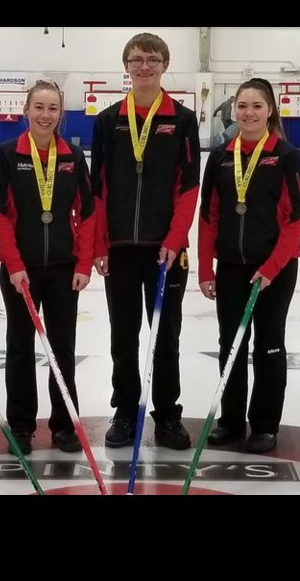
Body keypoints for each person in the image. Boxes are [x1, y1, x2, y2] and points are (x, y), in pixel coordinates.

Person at [90, 32, 201, 450]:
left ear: (164, 65)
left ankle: (168, 415)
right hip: (119, 249)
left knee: (165, 336)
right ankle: (124, 411)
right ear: (126, 66)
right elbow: (96, 187)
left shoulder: (183, 120)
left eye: (152, 59)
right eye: (136, 59)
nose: (144, 66)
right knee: (123, 334)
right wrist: (99, 244)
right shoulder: (107, 120)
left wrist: (175, 239)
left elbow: (189, 186)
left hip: (165, 252)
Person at [197, 77, 300, 454]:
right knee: (230, 345)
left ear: (270, 110)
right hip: (231, 267)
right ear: (233, 110)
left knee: (269, 346)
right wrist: (204, 268)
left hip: (274, 271)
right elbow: (209, 215)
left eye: (256, 106)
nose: (248, 113)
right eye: (241, 106)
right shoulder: (221, 156)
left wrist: (272, 267)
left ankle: (264, 425)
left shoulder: (286, 156)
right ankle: (230, 421)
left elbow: (297, 218)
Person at [0, 78, 95, 456]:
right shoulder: (6, 155)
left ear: (61, 114)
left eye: (53, 108)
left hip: (64, 270)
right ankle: (20, 426)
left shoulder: (71, 158)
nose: (45, 115)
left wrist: (83, 263)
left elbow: (88, 213)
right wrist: (15, 265)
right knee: (19, 348)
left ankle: (65, 425)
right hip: (21, 271)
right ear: (26, 110)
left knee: (62, 350)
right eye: (39, 107)